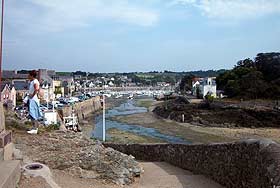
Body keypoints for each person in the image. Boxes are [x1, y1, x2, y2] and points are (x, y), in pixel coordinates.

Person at [26, 70, 42, 134]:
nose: (28, 76)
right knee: (32, 113)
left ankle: (35, 129)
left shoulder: (35, 81)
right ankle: (34, 128)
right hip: (32, 99)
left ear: (32, 75)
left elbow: (36, 89)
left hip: (33, 99)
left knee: (33, 114)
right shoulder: (33, 81)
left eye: (29, 75)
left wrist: (32, 96)